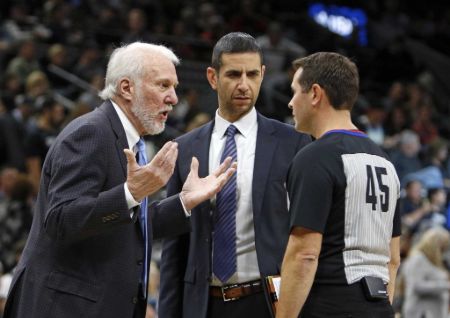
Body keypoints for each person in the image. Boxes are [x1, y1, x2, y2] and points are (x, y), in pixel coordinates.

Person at [3, 42, 236, 318]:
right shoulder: (90, 133)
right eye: (163, 86)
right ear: (127, 88)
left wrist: (184, 202)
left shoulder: (128, 139)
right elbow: (61, 220)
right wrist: (130, 193)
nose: (173, 98)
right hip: (66, 307)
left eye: (173, 87)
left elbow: (127, 225)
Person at [158, 32, 311, 318]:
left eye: (252, 74)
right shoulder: (185, 147)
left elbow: (308, 236)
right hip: (204, 304)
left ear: (263, 74)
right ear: (213, 77)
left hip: (269, 303)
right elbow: (173, 249)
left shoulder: (293, 143)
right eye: (233, 74)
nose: (244, 84)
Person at [277, 52, 401, 318]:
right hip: (380, 306)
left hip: (330, 305)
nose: (290, 103)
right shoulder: (385, 161)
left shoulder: (315, 157)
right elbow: (393, 259)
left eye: (295, 92)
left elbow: (304, 255)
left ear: (315, 94)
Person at [401, 226, 450, 318]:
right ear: (435, 244)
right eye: (442, 247)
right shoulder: (418, 259)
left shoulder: (436, 261)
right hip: (421, 313)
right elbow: (416, 285)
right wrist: (446, 285)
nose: (443, 251)